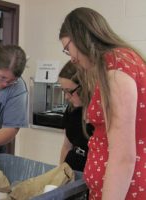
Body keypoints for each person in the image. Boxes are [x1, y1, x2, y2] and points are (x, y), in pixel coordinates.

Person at [59, 7, 146, 199]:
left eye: (67, 48)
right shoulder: (124, 61)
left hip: (125, 191)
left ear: (79, 36)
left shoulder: (116, 72)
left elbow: (123, 157)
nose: (72, 58)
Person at [58, 61, 94, 172]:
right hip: (71, 170)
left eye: (70, 92)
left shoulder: (99, 115)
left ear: (85, 86)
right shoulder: (72, 109)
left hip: (89, 175)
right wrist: (59, 174)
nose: (67, 97)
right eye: (64, 91)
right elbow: (66, 146)